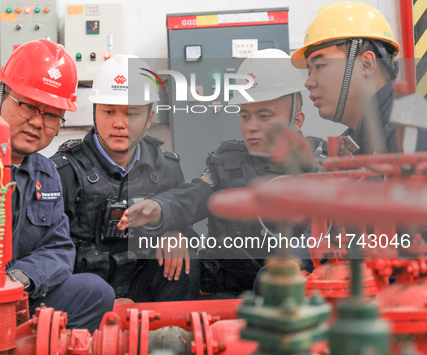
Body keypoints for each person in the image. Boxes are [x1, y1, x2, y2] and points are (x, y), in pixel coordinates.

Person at [118, 49, 311, 298]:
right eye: (244, 116)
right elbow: (195, 195)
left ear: (297, 120)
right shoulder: (226, 162)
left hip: (297, 295)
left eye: (264, 116)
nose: (251, 127)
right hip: (230, 294)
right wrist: (159, 208)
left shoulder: (320, 168)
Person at [50, 54, 200, 303]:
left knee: (187, 260)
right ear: (95, 112)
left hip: (144, 290)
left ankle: (172, 335)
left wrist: (176, 231)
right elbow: (49, 249)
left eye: (131, 113)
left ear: (149, 118)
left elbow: (184, 217)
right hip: (87, 297)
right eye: (109, 111)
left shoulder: (167, 168)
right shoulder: (63, 172)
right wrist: (106, 300)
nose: (119, 123)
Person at [0, 39, 114, 331]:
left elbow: (59, 248)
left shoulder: (46, 173)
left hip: (20, 295)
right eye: (28, 106)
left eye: (51, 115)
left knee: (94, 291)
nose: (38, 123)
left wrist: (21, 279)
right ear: (3, 96)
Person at [291, 1, 427, 154]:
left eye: (320, 66)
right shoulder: (363, 139)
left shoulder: (414, 136)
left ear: (367, 64)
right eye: (309, 71)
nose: (309, 82)